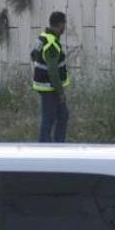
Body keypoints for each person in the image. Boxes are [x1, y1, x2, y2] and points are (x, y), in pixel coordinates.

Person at [31, 11, 71, 143]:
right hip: (50, 88)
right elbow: (53, 72)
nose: (65, 26)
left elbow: (33, 54)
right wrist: (60, 93)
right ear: (60, 24)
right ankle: (45, 149)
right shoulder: (52, 43)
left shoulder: (43, 37)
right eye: (64, 23)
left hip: (46, 86)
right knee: (49, 118)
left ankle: (58, 146)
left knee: (62, 116)